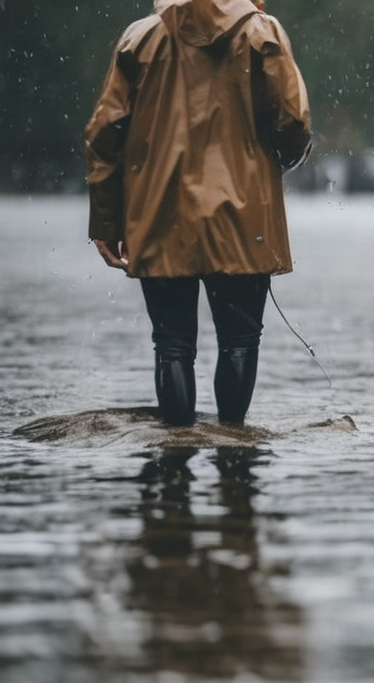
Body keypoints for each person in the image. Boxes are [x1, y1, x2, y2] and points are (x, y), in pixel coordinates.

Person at [85, 0, 311, 426]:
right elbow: (294, 119)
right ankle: (234, 456)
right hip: (245, 213)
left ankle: (175, 463)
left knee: (171, 344)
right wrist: (280, 157)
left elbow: (103, 133)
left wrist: (107, 220)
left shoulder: (141, 38)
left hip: (160, 212)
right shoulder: (262, 33)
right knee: (240, 340)